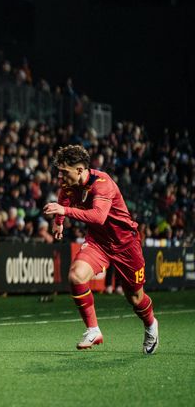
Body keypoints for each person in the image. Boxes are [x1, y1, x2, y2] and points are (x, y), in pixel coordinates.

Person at [43, 145, 158, 354]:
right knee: (76, 276)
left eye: (64, 172)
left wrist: (64, 211)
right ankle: (93, 330)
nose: (60, 176)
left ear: (79, 170)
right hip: (98, 242)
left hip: (125, 244)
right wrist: (58, 222)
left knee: (135, 298)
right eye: (59, 171)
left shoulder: (102, 184)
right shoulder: (68, 183)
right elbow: (64, 197)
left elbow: (98, 216)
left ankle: (151, 325)